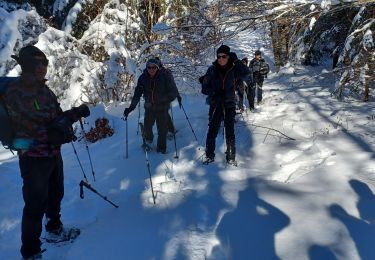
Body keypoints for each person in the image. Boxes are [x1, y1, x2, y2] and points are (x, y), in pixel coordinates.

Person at [4, 45, 87, 259]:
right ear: (25, 65)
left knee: (54, 194)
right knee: (34, 205)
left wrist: (72, 114)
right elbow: (34, 126)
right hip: (33, 159)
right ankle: (31, 252)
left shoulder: (43, 89)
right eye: (36, 63)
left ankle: (54, 229)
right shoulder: (18, 91)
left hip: (51, 154)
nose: (42, 67)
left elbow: (54, 118)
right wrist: (62, 126)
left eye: (44, 62)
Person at [201, 45, 251, 164]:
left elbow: (247, 74)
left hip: (229, 104)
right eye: (219, 56)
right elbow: (204, 88)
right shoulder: (212, 70)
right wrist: (214, 93)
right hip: (216, 104)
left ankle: (231, 157)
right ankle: (209, 156)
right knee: (212, 130)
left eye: (224, 56)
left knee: (229, 131)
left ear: (228, 57)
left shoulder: (234, 69)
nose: (221, 59)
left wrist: (236, 61)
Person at [123, 58, 178, 153]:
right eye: (149, 67)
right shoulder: (143, 78)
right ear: (146, 67)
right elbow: (137, 95)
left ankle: (161, 150)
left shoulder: (164, 76)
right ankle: (148, 141)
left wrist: (165, 100)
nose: (151, 69)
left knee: (162, 130)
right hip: (149, 107)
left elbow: (174, 92)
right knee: (148, 127)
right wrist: (130, 108)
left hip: (162, 107)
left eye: (154, 67)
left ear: (157, 67)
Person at [153, 57, 182, 135]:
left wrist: (175, 94)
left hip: (166, 97)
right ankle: (170, 130)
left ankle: (170, 130)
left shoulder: (165, 72)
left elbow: (172, 84)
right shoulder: (162, 72)